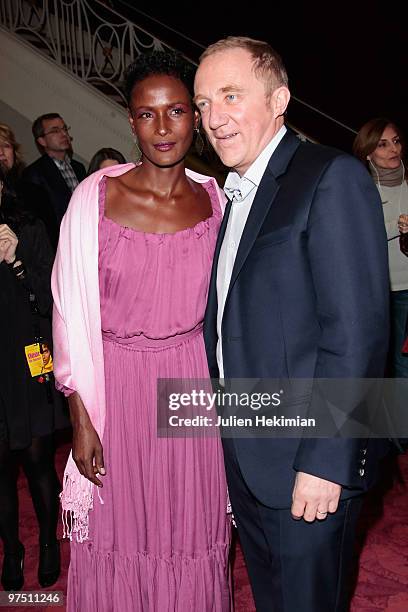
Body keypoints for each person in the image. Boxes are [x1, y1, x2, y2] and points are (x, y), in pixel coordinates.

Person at [194, 36, 390, 612]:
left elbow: (356, 334)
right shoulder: (237, 195)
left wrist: (325, 462)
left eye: (231, 95)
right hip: (248, 454)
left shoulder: (330, 176)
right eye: (204, 102)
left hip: (308, 460)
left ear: (279, 98)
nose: (213, 117)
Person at [52, 50, 230, 611]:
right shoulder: (94, 199)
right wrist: (81, 421)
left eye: (175, 111)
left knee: (190, 527)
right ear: (130, 121)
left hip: (192, 387)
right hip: (117, 388)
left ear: (194, 119)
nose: (162, 128)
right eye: (147, 114)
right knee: (118, 531)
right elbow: (69, 317)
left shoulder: (217, 200)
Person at [0, 168, 69, 591]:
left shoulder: (28, 228)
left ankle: (47, 542)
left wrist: (17, 262)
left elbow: (50, 299)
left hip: (30, 363)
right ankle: (12, 549)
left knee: (40, 463)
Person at [353, 118, 408, 377]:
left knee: (403, 361)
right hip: (381, 293)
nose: (393, 150)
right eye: (383, 145)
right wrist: (395, 227)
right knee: (387, 361)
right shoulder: (361, 191)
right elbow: (355, 240)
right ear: (368, 153)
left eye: (396, 141)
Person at [23, 114, 86, 249]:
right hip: (57, 246)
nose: (64, 134)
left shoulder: (79, 168)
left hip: (85, 239)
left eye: (65, 129)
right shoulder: (34, 174)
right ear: (42, 141)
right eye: (55, 130)